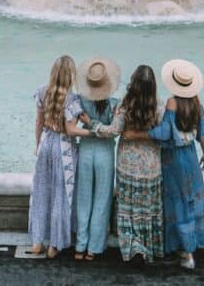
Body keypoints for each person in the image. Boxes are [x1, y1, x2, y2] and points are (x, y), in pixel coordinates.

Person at [124, 59, 204, 271]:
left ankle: (185, 253)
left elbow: (164, 133)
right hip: (191, 157)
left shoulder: (172, 103)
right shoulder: (197, 104)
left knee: (177, 204)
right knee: (191, 200)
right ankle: (190, 246)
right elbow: (202, 133)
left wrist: (136, 134)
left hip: (174, 160)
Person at [92, 65, 165, 264]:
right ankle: (148, 247)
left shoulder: (125, 104)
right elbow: (164, 136)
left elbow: (113, 131)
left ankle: (133, 248)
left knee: (129, 210)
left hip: (126, 166)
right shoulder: (159, 106)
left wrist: (93, 125)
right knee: (147, 210)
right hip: (151, 167)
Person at [29, 55, 91, 258]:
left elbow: (38, 122)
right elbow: (71, 130)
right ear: (70, 75)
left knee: (41, 193)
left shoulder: (41, 92)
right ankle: (54, 245)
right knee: (60, 196)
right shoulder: (72, 99)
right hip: (64, 148)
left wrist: (37, 146)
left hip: (46, 143)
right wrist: (93, 132)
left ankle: (37, 241)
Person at [74, 57, 121, 260]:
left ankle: (80, 246)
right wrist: (97, 125)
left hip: (85, 150)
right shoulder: (115, 104)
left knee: (84, 198)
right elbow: (114, 132)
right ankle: (93, 248)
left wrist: (89, 123)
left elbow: (73, 126)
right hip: (105, 153)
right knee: (102, 200)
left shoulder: (80, 101)